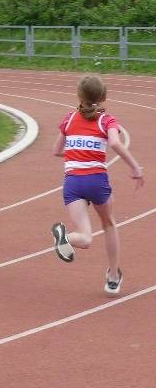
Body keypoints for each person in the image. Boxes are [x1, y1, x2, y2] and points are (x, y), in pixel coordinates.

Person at [50, 75, 144, 296]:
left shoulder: (69, 119)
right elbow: (115, 143)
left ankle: (66, 238)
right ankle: (113, 277)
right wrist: (135, 167)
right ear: (103, 97)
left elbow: (56, 151)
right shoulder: (107, 120)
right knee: (109, 225)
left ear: (79, 96)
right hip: (96, 181)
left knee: (85, 237)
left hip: (73, 183)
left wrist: (76, 153)